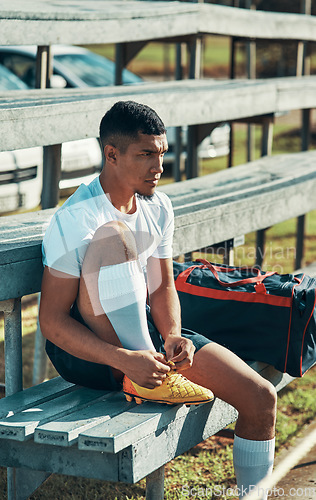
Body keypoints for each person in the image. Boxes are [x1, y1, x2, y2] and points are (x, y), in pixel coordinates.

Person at [40, 100, 277, 499]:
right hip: (89, 351)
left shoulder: (159, 205)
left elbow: (162, 287)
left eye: (162, 153)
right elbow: (51, 321)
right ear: (111, 154)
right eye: (146, 154)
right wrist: (122, 358)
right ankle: (144, 376)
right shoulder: (76, 219)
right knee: (114, 236)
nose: (159, 166)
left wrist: (172, 334)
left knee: (260, 397)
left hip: (146, 337)